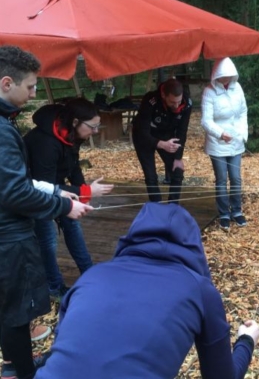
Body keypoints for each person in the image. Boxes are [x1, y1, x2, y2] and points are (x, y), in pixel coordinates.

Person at [34, 202, 259, 379]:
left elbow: (64, 347)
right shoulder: (200, 289)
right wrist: (246, 341)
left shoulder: (91, 276)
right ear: (194, 245)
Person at [0, 46, 92, 379]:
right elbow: (14, 192)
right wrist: (64, 206)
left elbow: (12, 180)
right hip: (8, 237)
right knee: (16, 313)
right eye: (31, 87)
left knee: (9, 308)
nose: (36, 93)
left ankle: (15, 364)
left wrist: (54, 190)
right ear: (7, 83)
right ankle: (22, 372)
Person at [23, 98, 114, 300]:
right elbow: (44, 185)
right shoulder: (45, 142)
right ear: (75, 122)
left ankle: (89, 274)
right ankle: (54, 287)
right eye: (93, 126)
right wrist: (86, 191)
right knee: (47, 240)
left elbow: (73, 165)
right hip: (39, 192)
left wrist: (83, 192)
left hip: (57, 187)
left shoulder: (71, 133)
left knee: (73, 226)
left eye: (98, 126)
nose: (96, 131)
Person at [201, 58, 248, 232]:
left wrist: (243, 133)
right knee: (221, 180)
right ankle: (224, 214)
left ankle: (236, 211)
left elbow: (243, 112)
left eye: (230, 75)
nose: (227, 79)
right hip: (217, 143)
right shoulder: (209, 92)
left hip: (236, 140)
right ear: (217, 76)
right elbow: (206, 121)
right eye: (224, 76)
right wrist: (220, 133)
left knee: (235, 178)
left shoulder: (238, 89)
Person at [132, 78, 192, 203]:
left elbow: (182, 131)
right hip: (144, 136)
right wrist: (160, 144)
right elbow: (142, 131)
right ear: (164, 95)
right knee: (151, 176)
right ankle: (157, 207)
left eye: (178, 101)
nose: (176, 106)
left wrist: (178, 157)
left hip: (166, 134)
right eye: (172, 102)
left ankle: (173, 206)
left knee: (177, 172)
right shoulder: (150, 100)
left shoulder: (186, 103)